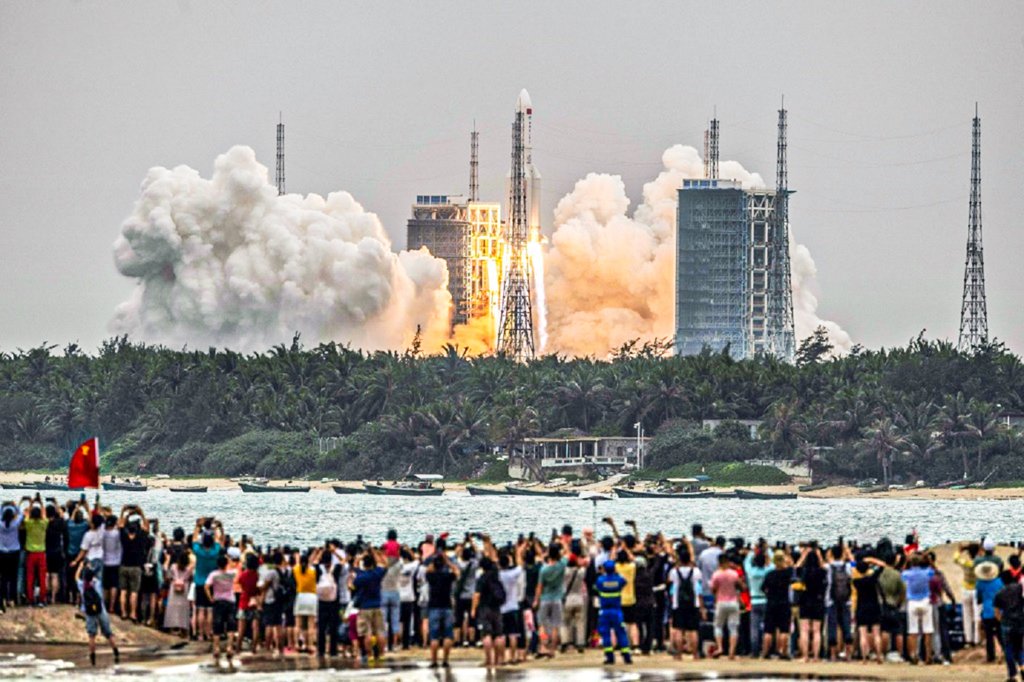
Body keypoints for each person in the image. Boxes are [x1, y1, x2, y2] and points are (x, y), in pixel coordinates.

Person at [76, 564, 120, 666]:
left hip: (89, 612)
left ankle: (92, 657)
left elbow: (76, 577)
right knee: (108, 633)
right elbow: (97, 577)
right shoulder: (97, 583)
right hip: (101, 610)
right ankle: (116, 652)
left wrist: (80, 567)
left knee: (92, 635)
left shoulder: (81, 585)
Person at [668, 541, 702, 661]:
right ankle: (695, 654)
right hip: (693, 603)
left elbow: (670, 581)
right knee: (693, 630)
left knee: (678, 630)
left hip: (678, 603)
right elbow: (698, 584)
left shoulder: (674, 572)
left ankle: (679, 654)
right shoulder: (696, 572)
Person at [352, 546, 387, 663]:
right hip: (377, 605)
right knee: (380, 631)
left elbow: (354, 567)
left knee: (367, 633)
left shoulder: (361, 576)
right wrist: (375, 553)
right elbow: (385, 564)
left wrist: (360, 557)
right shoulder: (377, 573)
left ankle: (370, 655)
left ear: (364, 564)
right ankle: (381, 654)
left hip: (364, 606)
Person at [425, 549, 458, 668]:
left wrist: (434, 561)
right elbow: (457, 571)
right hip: (447, 606)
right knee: (448, 635)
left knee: (434, 636)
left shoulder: (431, 577)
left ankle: (434, 661)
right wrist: (447, 561)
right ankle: (445, 660)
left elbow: (428, 569)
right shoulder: (448, 576)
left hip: (434, 606)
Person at [191, 519, 223, 641]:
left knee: (200, 609)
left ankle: (200, 634)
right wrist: (217, 528)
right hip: (211, 583)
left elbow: (194, 539)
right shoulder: (215, 551)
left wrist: (198, 526)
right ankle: (209, 633)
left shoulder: (199, 551)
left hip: (199, 582)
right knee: (209, 611)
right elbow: (219, 540)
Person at [595, 560, 632, 665]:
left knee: (606, 634)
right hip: (617, 610)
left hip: (604, 611)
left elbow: (596, 587)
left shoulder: (600, 580)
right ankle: (626, 656)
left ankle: (609, 657)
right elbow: (624, 582)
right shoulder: (618, 580)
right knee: (621, 633)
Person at [205, 554, 238, 669]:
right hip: (230, 600)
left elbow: (206, 586)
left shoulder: (214, 575)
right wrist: (229, 560)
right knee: (231, 625)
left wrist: (210, 597)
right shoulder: (231, 574)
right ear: (226, 564)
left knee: (217, 625)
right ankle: (229, 647)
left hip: (218, 601)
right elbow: (238, 566)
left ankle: (217, 648)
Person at [795, 545, 827, 663]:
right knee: (817, 631)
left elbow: (796, 567)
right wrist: (819, 556)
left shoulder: (804, 571)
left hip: (805, 600)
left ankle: (805, 656)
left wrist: (803, 556)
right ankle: (816, 657)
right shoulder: (821, 572)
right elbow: (824, 567)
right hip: (818, 600)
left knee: (804, 630)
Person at [118, 505, 150, 622]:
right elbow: (147, 527)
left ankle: (123, 612)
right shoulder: (141, 537)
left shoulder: (123, 537)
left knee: (123, 591)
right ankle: (133, 614)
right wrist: (141, 513)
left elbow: (120, 525)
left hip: (124, 565)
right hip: (136, 567)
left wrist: (123, 512)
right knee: (134, 592)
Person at [534, 542, 567, 657]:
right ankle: (552, 649)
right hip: (557, 599)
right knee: (555, 626)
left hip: (545, 599)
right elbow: (566, 552)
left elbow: (539, 586)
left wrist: (536, 600)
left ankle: (543, 645)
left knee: (542, 624)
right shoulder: (562, 565)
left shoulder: (544, 570)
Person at [709, 553, 745, 659]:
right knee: (733, 628)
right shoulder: (733, 574)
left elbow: (713, 589)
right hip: (733, 602)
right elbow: (741, 587)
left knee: (718, 626)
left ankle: (720, 647)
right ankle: (731, 652)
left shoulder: (716, 574)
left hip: (721, 602)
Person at [851, 554, 886, 664]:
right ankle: (879, 656)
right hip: (874, 607)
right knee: (876, 633)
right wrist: (872, 560)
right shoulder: (872, 579)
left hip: (861, 607)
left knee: (863, 634)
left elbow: (853, 567)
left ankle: (864, 658)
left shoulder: (856, 582)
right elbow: (883, 565)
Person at [472, 555, 506, 667]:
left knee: (486, 634)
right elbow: (495, 557)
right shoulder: (495, 574)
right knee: (498, 635)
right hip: (496, 607)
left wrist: (473, 609)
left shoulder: (482, 578)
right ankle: (500, 659)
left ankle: (489, 660)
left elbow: (477, 595)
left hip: (484, 607)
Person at [761, 549, 793, 659]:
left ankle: (765, 652)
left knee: (768, 630)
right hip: (784, 603)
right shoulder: (787, 573)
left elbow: (763, 588)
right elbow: (793, 568)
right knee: (784, 629)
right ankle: (783, 652)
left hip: (771, 603)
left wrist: (769, 595)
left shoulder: (769, 574)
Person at [994, 569, 1024, 680]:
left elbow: (996, 613)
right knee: (1020, 647)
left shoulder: (999, 594)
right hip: (1020, 622)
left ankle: (1012, 674)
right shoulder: (1019, 588)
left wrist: (1002, 621)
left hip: (1007, 624)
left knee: (1008, 648)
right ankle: (1022, 666)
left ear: (1002, 580)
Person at [825, 542, 853, 661]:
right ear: (842, 554)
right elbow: (855, 563)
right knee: (846, 626)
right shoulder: (847, 567)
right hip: (846, 600)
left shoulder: (828, 567)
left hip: (831, 600)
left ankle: (832, 654)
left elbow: (824, 562)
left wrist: (828, 555)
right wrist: (848, 553)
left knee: (832, 627)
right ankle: (848, 654)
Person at [313, 547, 342, 659]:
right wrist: (335, 552)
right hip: (334, 601)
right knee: (333, 627)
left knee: (321, 627)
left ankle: (321, 651)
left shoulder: (318, 569)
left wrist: (318, 552)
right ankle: (333, 651)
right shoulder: (336, 569)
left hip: (321, 601)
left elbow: (314, 562)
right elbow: (343, 561)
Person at [743, 543, 771, 657]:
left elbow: (746, 562)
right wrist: (767, 550)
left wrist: (752, 551)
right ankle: (765, 650)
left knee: (754, 628)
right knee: (766, 628)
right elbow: (774, 564)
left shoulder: (751, 572)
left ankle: (754, 651)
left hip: (754, 601)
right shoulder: (767, 571)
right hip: (765, 600)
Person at [975, 558, 1004, 663]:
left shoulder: (980, 583)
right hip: (998, 611)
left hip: (987, 612)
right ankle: (1005, 652)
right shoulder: (999, 582)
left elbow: (978, 598)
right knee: (1001, 634)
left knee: (989, 636)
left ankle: (991, 656)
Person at [954, 542, 981, 646]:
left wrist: (960, 550)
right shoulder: (979, 563)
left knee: (967, 615)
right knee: (977, 616)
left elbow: (955, 558)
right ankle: (977, 639)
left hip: (966, 588)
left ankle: (968, 639)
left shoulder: (965, 562)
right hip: (976, 589)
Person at [23, 497, 49, 606]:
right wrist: (41, 503)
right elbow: (44, 514)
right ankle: (42, 600)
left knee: (30, 577)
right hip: (41, 553)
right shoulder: (44, 523)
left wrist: (31, 503)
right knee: (42, 578)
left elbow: (27, 514)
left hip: (30, 553)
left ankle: (30, 599)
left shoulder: (28, 523)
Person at [257, 551, 284, 653]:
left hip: (270, 599)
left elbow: (264, 587)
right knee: (278, 625)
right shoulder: (280, 570)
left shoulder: (271, 572)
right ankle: (280, 647)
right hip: (278, 600)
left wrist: (259, 587)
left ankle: (267, 647)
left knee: (269, 625)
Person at [0, 500, 24, 611]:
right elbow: (21, 514)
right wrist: (15, 506)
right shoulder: (15, 524)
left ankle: (4, 598)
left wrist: (2, 506)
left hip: (2, 553)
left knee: (3, 577)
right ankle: (12, 599)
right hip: (14, 552)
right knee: (13, 577)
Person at [561, 555, 588, 653]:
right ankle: (580, 643)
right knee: (580, 622)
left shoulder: (565, 572)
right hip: (579, 598)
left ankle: (565, 642)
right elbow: (586, 564)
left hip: (567, 598)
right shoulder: (581, 572)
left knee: (565, 622)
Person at [292, 552, 318, 653]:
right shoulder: (312, 571)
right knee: (311, 625)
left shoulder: (296, 570)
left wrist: (297, 557)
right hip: (311, 597)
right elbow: (311, 564)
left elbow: (298, 565)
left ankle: (296, 644)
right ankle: (310, 645)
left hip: (300, 596)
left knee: (298, 624)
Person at [236, 553, 261, 652]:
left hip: (244, 601)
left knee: (241, 628)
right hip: (255, 601)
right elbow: (259, 588)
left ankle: (238, 647)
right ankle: (254, 647)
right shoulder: (257, 575)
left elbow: (240, 584)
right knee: (255, 626)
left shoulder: (243, 575)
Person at [44, 502, 68, 605]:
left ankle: (46, 596)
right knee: (55, 576)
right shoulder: (60, 522)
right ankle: (53, 598)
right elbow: (66, 536)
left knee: (46, 575)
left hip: (46, 551)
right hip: (57, 551)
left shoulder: (44, 523)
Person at [163, 551, 192, 636]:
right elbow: (190, 578)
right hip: (184, 589)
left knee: (172, 608)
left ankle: (171, 627)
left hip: (173, 588)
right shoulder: (189, 569)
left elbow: (168, 576)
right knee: (183, 609)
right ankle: (183, 629)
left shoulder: (173, 566)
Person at [100, 514, 122, 613]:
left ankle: (104, 604)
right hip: (116, 562)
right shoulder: (117, 533)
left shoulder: (103, 533)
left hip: (105, 561)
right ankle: (112, 607)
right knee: (114, 585)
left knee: (105, 586)